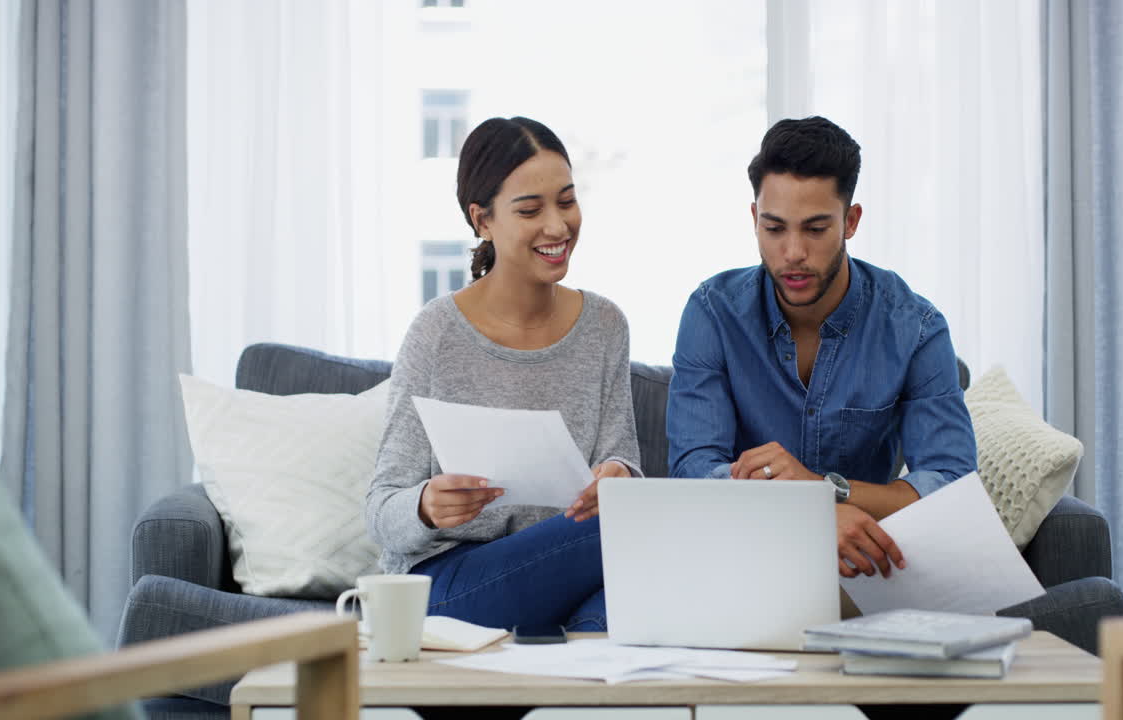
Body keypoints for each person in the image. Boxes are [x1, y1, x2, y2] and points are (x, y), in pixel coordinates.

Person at [666, 116, 977, 581]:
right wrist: (810, 514)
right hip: (745, 560)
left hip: (866, 570)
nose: (792, 252)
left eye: (815, 229)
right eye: (774, 229)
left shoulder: (915, 327)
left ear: (850, 222)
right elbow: (693, 470)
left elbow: (950, 487)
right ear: (754, 219)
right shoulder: (713, 312)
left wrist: (825, 490)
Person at [366, 116, 641, 632]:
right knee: (631, 528)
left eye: (567, 200)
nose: (558, 226)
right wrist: (425, 506)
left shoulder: (605, 326)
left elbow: (620, 459)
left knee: (615, 607)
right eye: (531, 210)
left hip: (568, 571)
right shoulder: (436, 333)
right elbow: (381, 511)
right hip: (451, 582)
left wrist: (619, 475)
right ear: (483, 220)